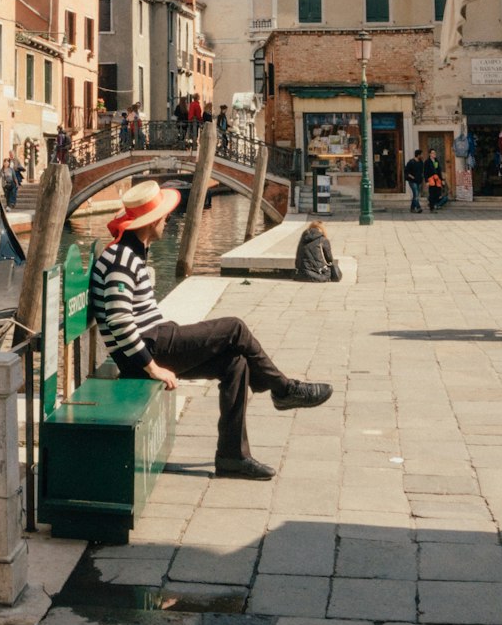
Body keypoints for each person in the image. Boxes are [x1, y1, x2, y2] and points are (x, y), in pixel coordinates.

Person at [89, 181, 333, 480]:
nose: (167, 220)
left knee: (236, 363)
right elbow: (119, 321)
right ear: (151, 222)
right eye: (164, 216)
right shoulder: (121, 259)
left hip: (155, 339)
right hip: (147, 349)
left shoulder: (130, 252)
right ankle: (284, 390)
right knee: (234, 328)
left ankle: (233, 457)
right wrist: (154, 369)